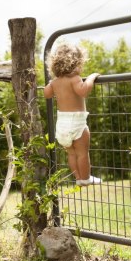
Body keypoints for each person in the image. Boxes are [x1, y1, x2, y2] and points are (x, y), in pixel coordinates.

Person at [44, 42, 102, 186]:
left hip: (62, 125)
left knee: (71, 154)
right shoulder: (75, 79)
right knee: (82, 153)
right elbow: (83, 91)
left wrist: (52, 84)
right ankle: (86, 178)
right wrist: (91, 78)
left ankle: (77, 178)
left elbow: (46, 94)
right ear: (76, 63)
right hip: (76, 123)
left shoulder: (55, 82)